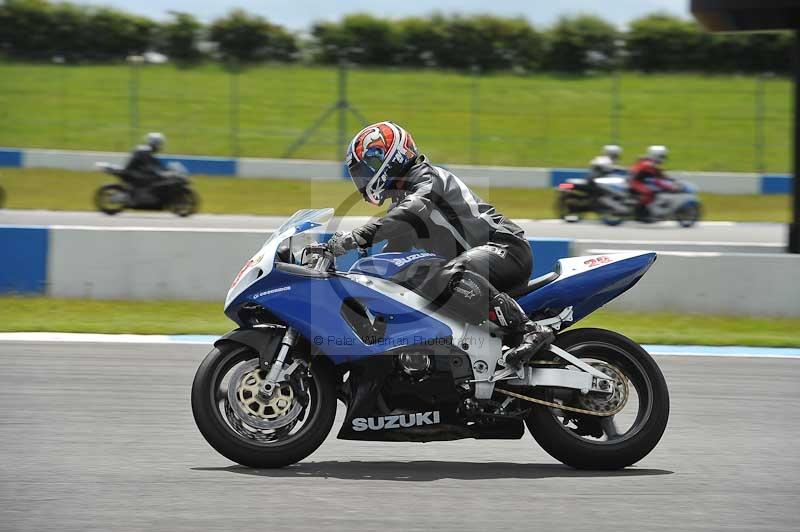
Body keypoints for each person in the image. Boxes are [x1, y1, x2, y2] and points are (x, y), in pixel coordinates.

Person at [327, 121, 554, 368]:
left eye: (367, 168)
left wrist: (356, 237)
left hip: (506, 249)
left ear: (392, 156)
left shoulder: (427, 178)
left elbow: (410, 211)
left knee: (447, 274)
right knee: (411, 280)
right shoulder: (402, 202)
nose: (363, 179)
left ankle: (529, 329)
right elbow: (390, 260)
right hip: (476, 267)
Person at [628, 145, 677, 219]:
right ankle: (640, 213)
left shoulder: (650, 162)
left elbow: (659, 173)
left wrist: (670, 179)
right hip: (635, 181)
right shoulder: (648, 164)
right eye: (662, 156)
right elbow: (657, 178)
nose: (663, 158)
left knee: (654, 189)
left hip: (640, 180)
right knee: (648, 192)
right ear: (656, 155)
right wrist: (669, 185)